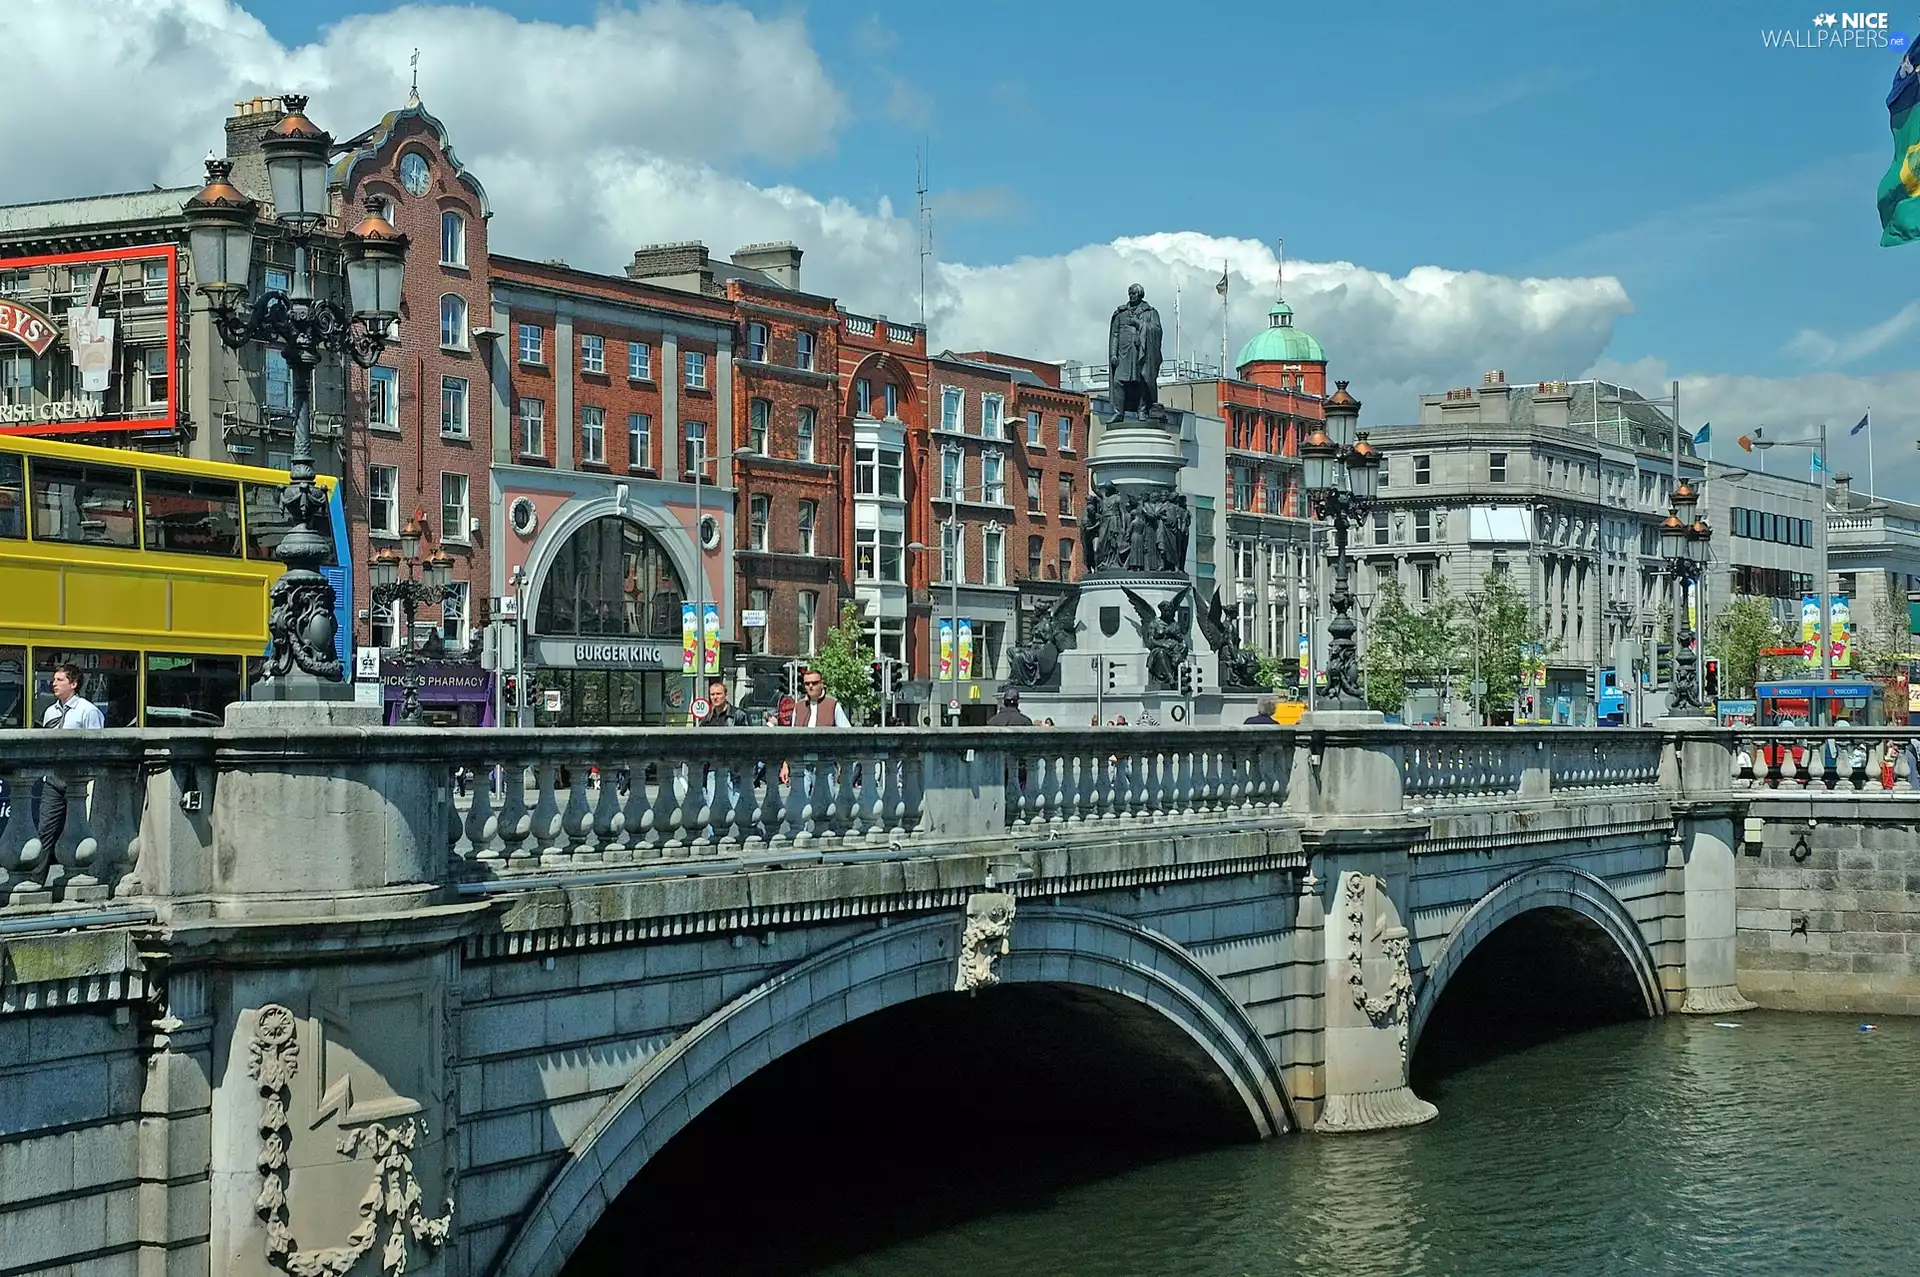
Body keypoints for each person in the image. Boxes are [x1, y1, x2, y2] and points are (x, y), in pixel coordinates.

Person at [34, 663, 105, 860]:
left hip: (79, 781)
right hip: (53, 780)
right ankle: (36, 879)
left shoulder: (87, 711)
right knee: (45, 830)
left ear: (73, 684)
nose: (53, 684)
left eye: (59, 680)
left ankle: (75, 876)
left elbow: (97, 747)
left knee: (78, 831)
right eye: (54, 679)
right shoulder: (50, 712)